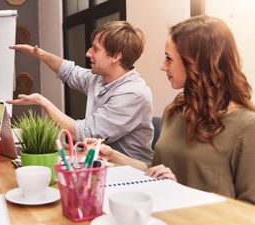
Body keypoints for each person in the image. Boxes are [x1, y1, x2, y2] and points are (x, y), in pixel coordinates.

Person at [96, 15, 255, 204]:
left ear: (196, 62)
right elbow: (156, 170)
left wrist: (178, 191)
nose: (163, 66)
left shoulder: (247, 127)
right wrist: (113, 155)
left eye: (169, 59)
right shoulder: (174, 112)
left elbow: (249, 213)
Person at [7, 21, 154, 164]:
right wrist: (40, 54)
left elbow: (84, 133)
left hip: (130, 175)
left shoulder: (132, 94)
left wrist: (41, 101)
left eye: (95, 49)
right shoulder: (99, 78)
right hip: (98, 164)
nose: (88, 53)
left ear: (116, 56)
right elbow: (69, 72)